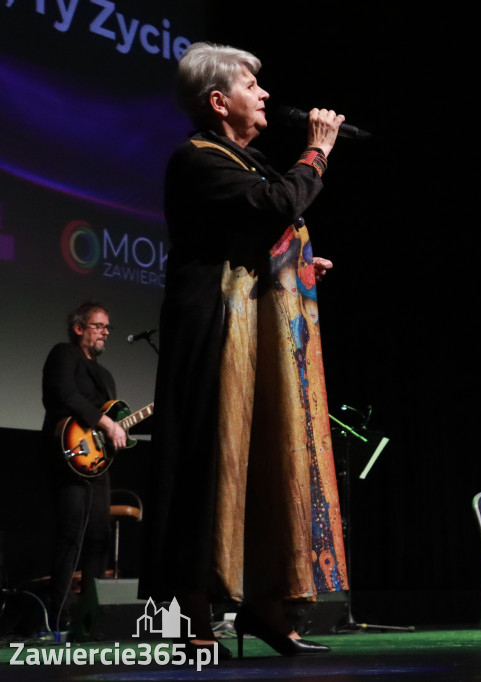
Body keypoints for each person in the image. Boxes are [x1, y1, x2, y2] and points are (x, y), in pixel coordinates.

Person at [138, 42, 348, 658]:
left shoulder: (241, 160)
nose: (263, 95)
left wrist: (298, 262)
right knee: (204, 471)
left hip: (249, 337)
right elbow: (276, 205)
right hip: (210, 338)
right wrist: (317, 151)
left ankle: (264, 610)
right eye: (251, 85)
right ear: (217, 100)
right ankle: (182, 626)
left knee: (260, 462)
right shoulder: (197, 158)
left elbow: (259, 232)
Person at [41, 301, 127, 631]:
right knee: (71, 535)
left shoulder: (105, 375)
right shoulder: (64, 354)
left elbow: (118, 423)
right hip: (69, 456)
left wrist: (119, 429)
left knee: (99, 537)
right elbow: (62, 393)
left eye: (107, 327)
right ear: (78, 329)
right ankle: (58, 615)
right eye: (98, 326)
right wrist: (106, 423)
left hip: (99, 463)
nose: (105, 332)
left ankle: (89, 617)